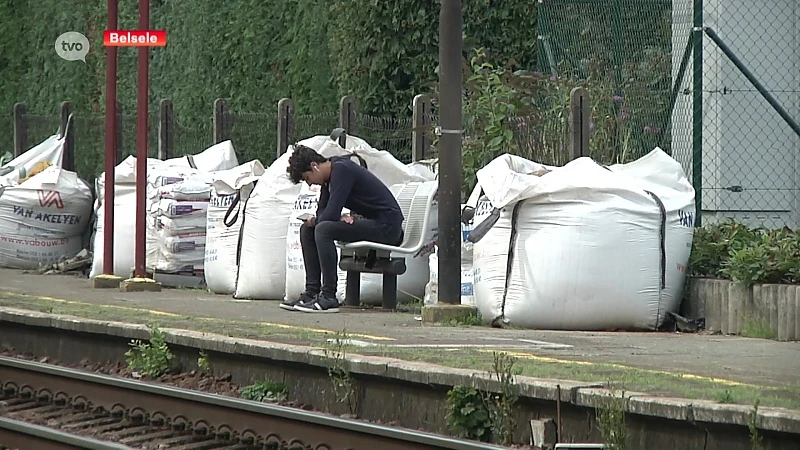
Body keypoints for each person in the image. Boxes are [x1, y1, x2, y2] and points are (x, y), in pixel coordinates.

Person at [281, 144, 405, 313]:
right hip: (372, 222)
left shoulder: (341, 170)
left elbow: (329, 214)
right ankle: (312, 292)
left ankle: (328, 296)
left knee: (323, 229)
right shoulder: (328, 179)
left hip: (387, 226)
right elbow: (324, 212)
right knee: (307, 229)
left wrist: (328, 217)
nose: (310, 184)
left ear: (314, 166)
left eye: (307, 178)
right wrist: (332, 217)